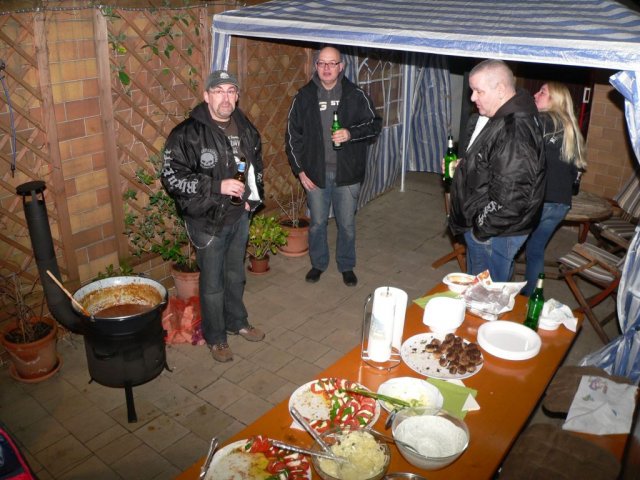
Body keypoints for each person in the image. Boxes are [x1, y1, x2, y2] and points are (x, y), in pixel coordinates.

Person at [161, 70, 265, 363]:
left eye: (231, 91)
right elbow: (172, 178)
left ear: (237, 96)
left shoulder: (245, 127)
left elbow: (254, 165)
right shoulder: (186, 134)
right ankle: (216, 337)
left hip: (239, 216)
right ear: (206, 96)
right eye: (218, 91)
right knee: (212, 284)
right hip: (206, 221)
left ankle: (237, 321)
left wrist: (252, 199)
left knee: (235, 276)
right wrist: (217, 186)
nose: (225, 98)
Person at [285, 45, 382, 287]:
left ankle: (346, 265)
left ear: (341, 66)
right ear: (316, 66)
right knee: (317, 224)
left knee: (346, 224)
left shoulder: (355, 95)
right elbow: (292, 137)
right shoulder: (304, 97)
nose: (327, 68)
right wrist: (300, 171)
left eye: (332, 63)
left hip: (347, 174)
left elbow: (374, 125)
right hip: (315, 175)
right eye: (322, 63)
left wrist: (350, 134)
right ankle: (318, 264)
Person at [449, 59, 545, 282]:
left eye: (479, 91)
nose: (472, 98)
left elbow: (511, 199)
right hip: (495, 228)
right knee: (486, 288)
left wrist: (480, 230)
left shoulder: (515, 130)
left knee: (484, 294)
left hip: (496, 231)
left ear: (500, 90)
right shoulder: (504, 115)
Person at [522, 82, 587, 295]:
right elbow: (575, 170)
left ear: (555, 99)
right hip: (561, 204)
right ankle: (531, 298)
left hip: (539, 201)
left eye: (542, 92)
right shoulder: (571, 128)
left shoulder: (540, 121)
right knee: (535, 249)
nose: (535, 94)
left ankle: (506, 295)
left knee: (507, 248)